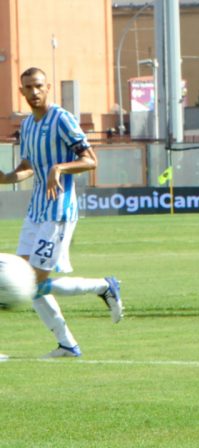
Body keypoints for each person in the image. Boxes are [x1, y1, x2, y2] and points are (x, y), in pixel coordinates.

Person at [0, 67, 123, 358]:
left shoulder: (62, 119)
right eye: (28, 87)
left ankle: (104, 286)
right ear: (22, 91)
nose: (34, 92)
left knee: (34, 283)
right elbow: (27, 167)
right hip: (36, 211)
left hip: (60, 209)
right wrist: (6, 178)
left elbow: (90, 160)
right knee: (28, 281)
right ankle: (67, 344)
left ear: (48, 87)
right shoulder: (28, 125)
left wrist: (59, 168)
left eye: (38, 86)